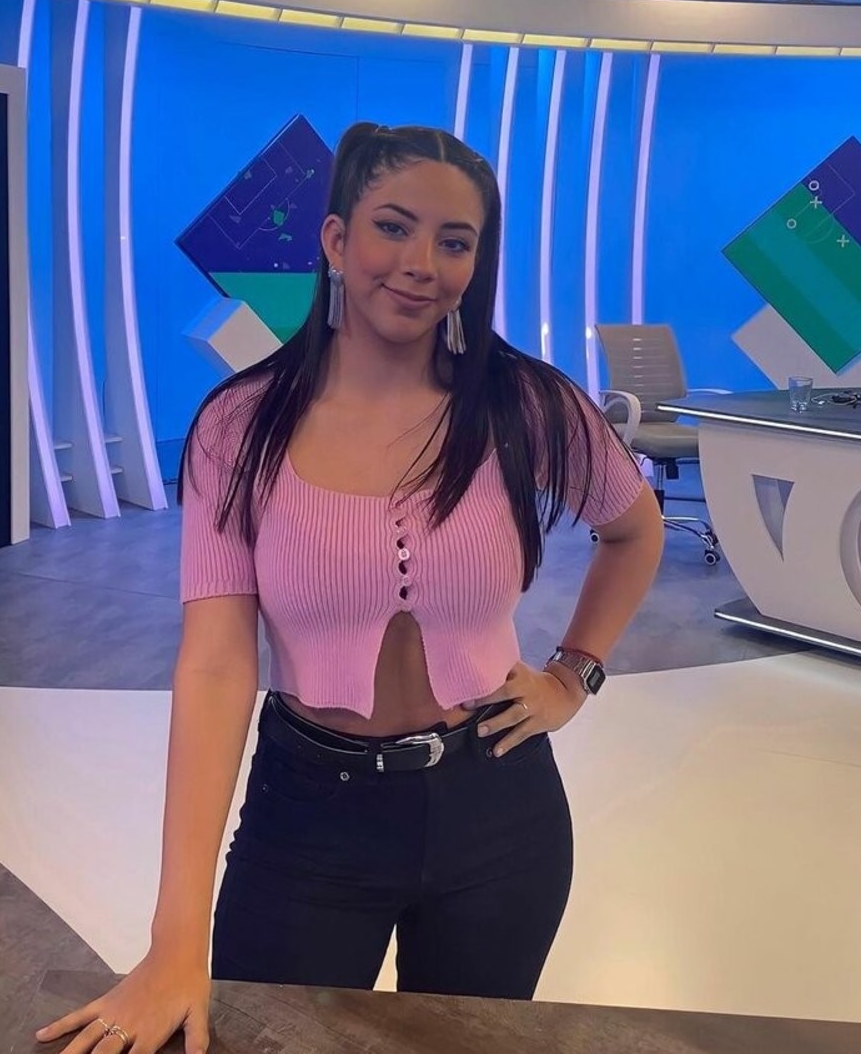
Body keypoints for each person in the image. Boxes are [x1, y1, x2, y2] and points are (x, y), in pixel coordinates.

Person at [37, 123, 663, 1054]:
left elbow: (635, 529)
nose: (421, 264)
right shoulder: (239, 427)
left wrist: (575, 674)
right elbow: (214, 668)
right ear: (336, 239)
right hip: (309, 817)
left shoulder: (526, 403)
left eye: (455, 241)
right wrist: (175, 939)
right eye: (393, 227)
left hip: (500, 810)